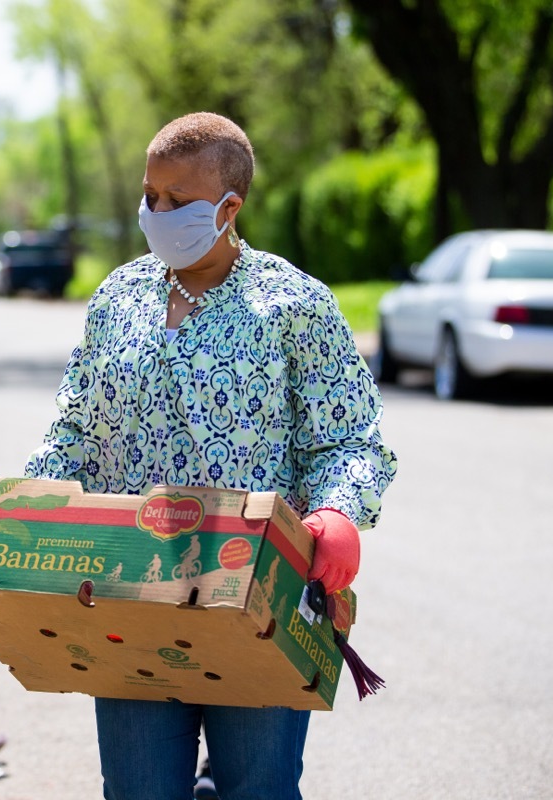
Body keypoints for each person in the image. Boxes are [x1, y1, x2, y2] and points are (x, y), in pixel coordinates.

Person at [23, 112, 398, 799]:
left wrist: (340, 510)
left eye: (177, 201)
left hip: (255, 597)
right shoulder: (117, 298)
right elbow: (72, 426)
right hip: (128, 591)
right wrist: (34, 504)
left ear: (230, 207)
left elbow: (348, 438)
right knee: (139, 791)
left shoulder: (294, 305)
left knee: (257, 788)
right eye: (149, 196)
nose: (157, 213)